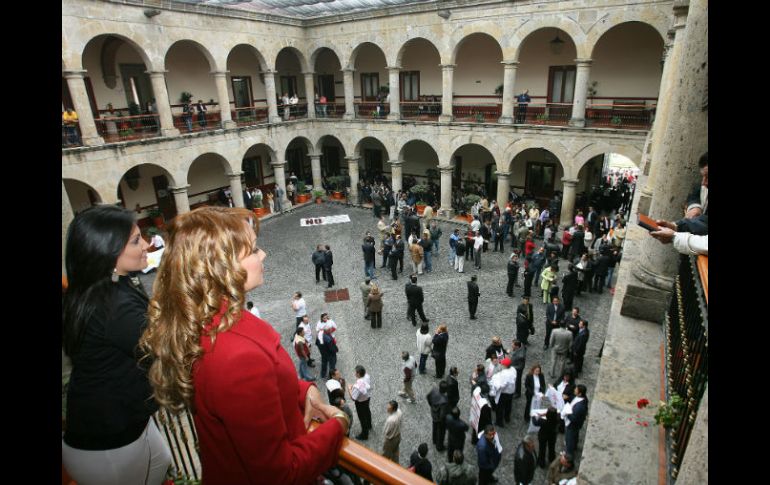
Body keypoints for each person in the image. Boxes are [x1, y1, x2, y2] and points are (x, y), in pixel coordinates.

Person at [139, 207, 347, 484]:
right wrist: (338, 425)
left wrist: (304, 391)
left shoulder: (210, 320)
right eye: (253, 250)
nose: (264, 255)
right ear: (220, 267)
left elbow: (256, 394)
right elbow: (280, 473)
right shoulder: (236, 357)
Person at [62, 205, 172, 484]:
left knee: (161, 464)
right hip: (107, 443)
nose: (145, 244)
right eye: (136, 241)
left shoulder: (107, 285)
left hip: (127, 423)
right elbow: (167, 347)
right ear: (107, 252)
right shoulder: (113, 305)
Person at [489, 358, 516, 427]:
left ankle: (499, 422)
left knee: (499, 408)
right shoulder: (513, 369)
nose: (501, 365)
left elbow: (502, 385)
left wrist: (495, 386)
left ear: (505, 366)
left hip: (504, 393)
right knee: (508, 405)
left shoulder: (505, 374)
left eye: (502, 364)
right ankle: (507, 418)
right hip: (511, 392)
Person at [349, 365, 373, 440]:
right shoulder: (367, 376)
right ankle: (369, 425)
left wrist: (349, 389)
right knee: (367, 411)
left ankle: (364, 434)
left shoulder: (357, 386)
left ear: (359, 374)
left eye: (356, 372)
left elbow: (353, 398)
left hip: (360, 402)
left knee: (362, 418)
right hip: (367, 398)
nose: (355, 374)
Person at [563, 384, 588, 455]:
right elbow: (573, 398)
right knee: (575, 436)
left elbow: (573, 418)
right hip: (576, 425)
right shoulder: (580, 398)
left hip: (572, 425)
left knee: (569, 439)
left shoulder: (579, 406)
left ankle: (569, 454)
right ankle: (574, 447)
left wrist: (567, 413)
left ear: (580, 393)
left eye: (576, 390)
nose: (574, 390)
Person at [427, 381, 450, 451]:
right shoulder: (444, 400)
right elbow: (442, 414)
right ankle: (439, 446)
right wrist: (442, 421)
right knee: (441, 433)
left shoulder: (434, 390)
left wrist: (432, 406)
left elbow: (428, 397)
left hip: (433, 414)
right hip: (439, 419)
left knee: (434, 427)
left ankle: (434, 440)